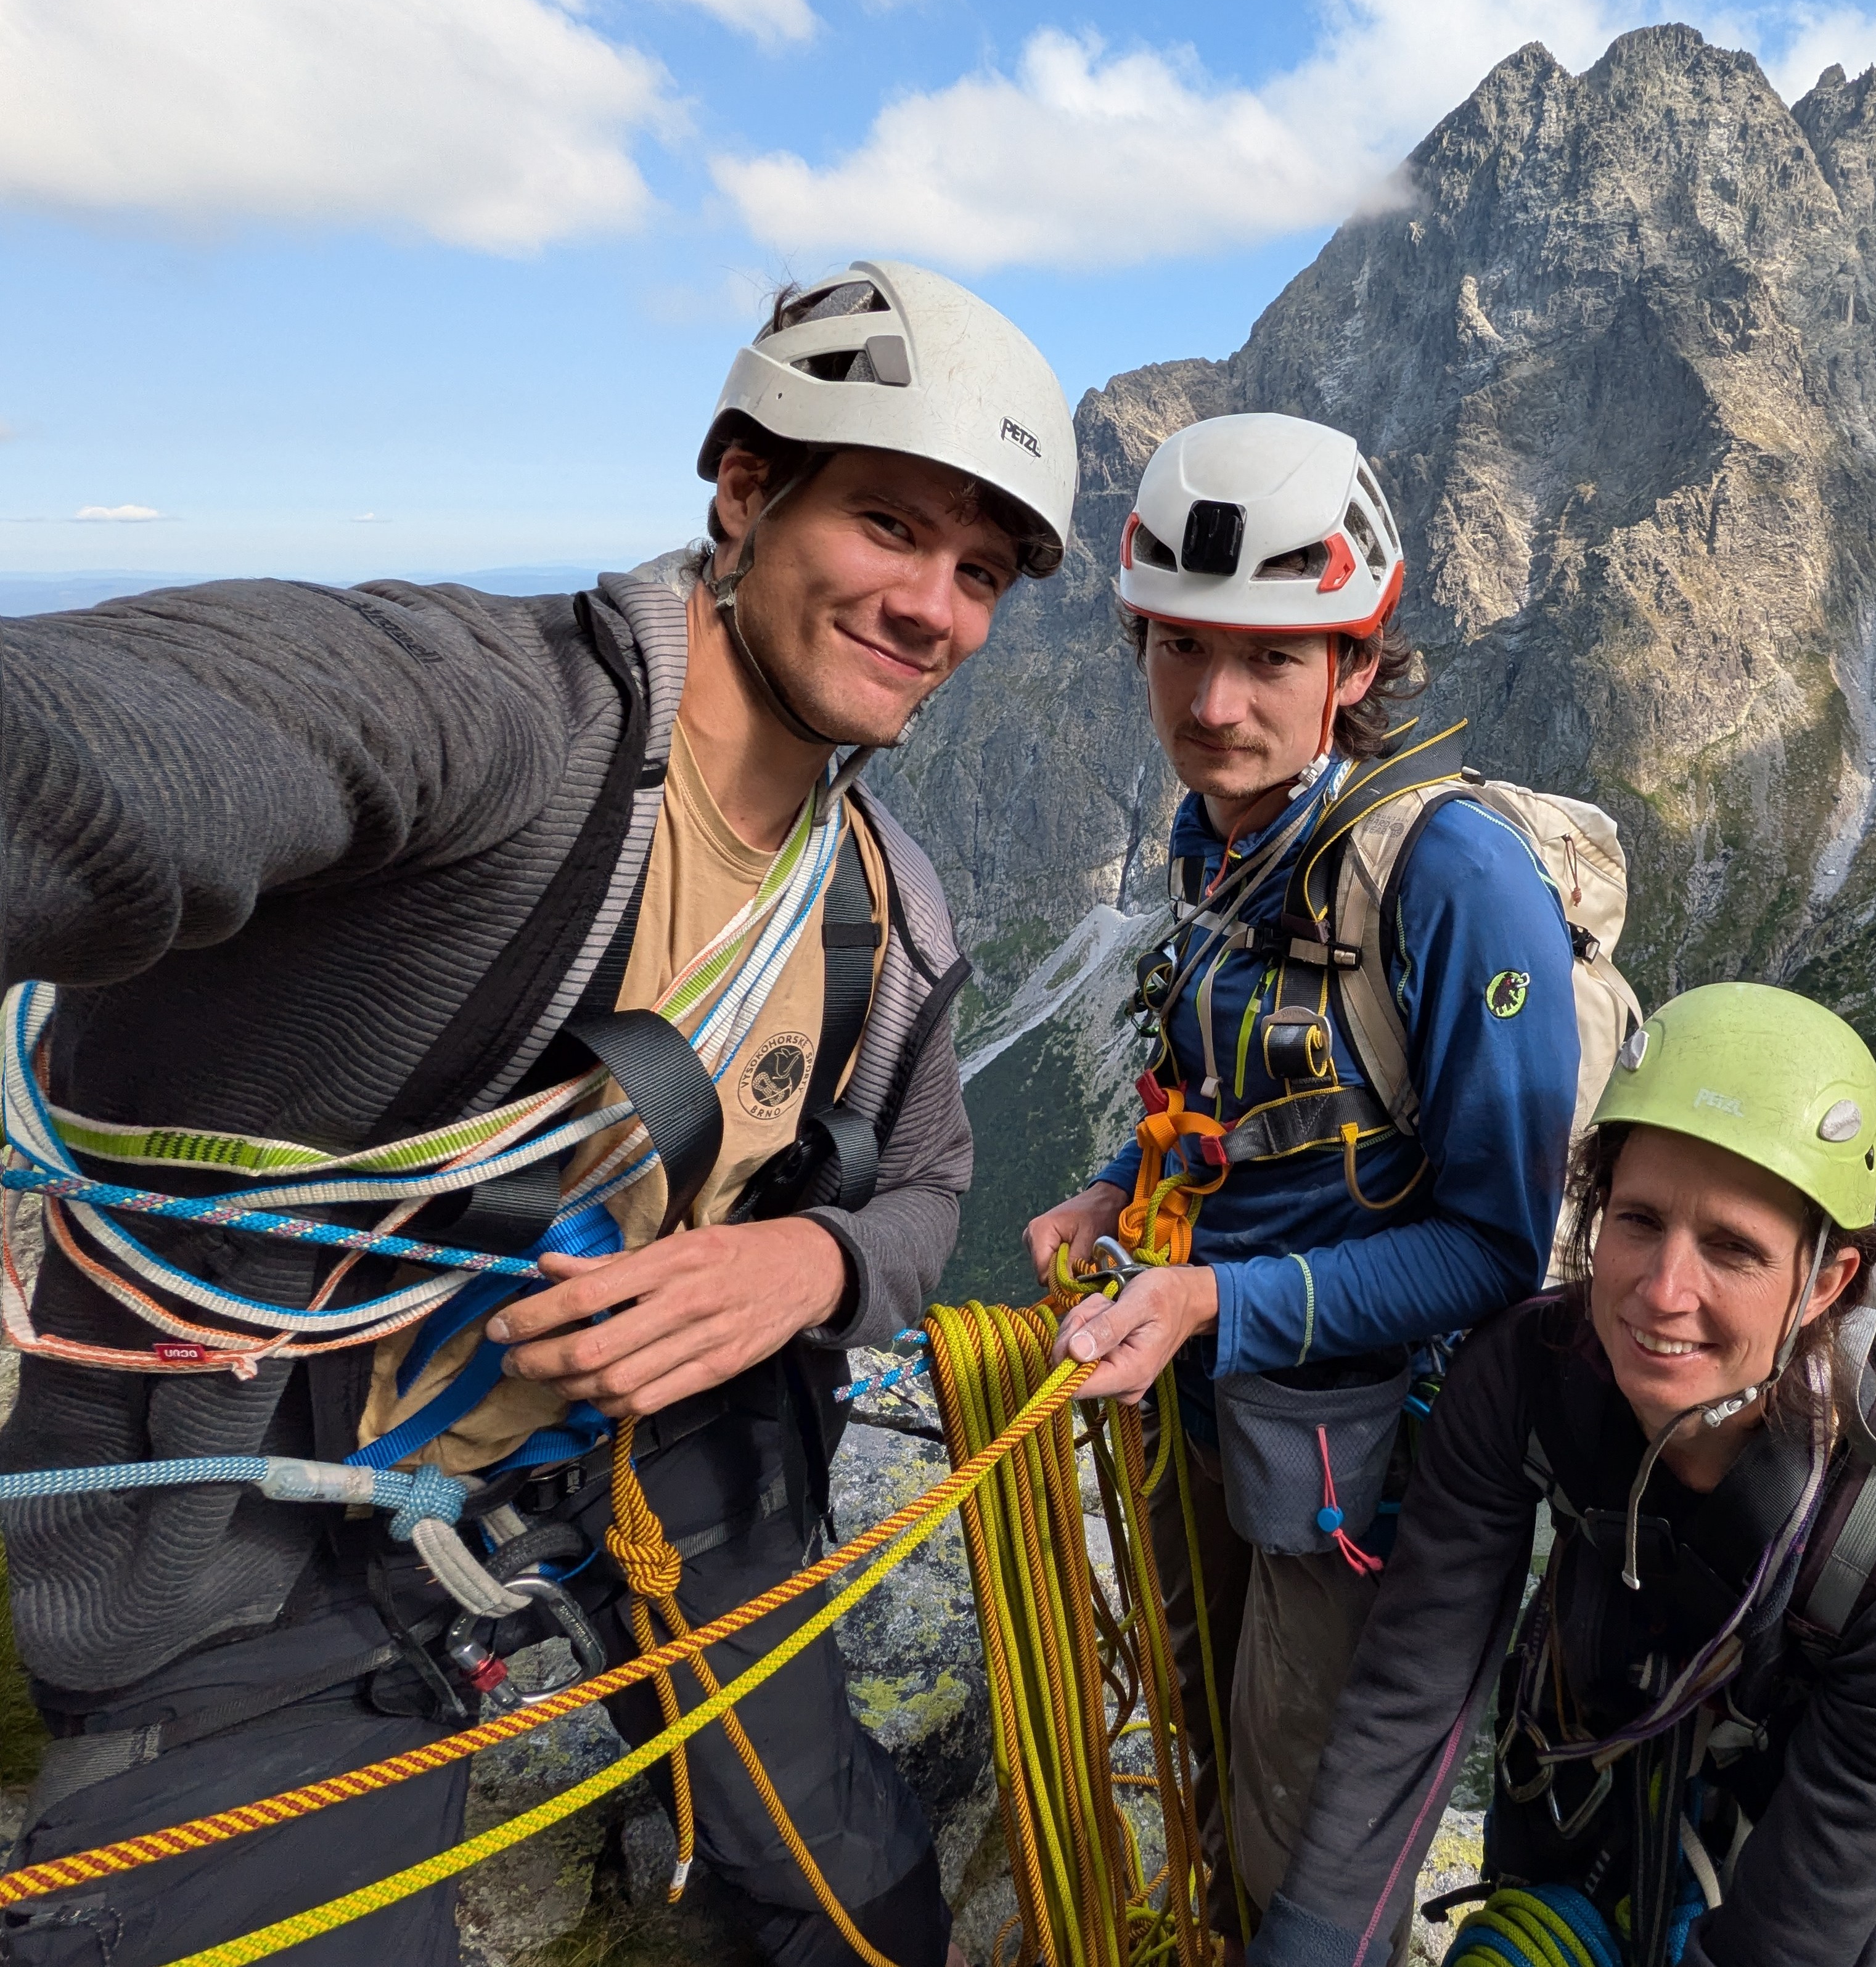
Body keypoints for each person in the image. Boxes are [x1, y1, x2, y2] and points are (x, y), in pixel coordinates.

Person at [0, 260, 1075, 1965]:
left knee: (861, 1900)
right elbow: (116, 749)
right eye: (887, 523)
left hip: (668, 1449)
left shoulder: (884, 905)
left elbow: (928, 1186)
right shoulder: (498, 722)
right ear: (744, 490)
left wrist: (804, 1264)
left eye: (982, 572)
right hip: (276, 1523)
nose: (932, 605)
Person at [1023, 412, 1586, 1940]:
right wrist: (1112, 1187)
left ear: (1353, 662)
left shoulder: (1453, 878)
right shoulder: (1227, 841)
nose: (1214, 703)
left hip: (1373, 1460)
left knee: (1300, 1841)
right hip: (1220, 1399)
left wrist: (1209, 1299)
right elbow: (1226, 1090)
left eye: (1269, 657)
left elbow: (1495, 1244)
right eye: (1180, 648)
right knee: (1205, 1737)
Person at [1247, 984, 1876, 1967]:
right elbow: (1412, 1695)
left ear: (1826, 1283)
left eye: (1732, 1247)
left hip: (1793, 1833)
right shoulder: (1522, 1377)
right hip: (1584, 1755)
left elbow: (1791, 1933)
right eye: (1639, 1219)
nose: (1662, 1290)